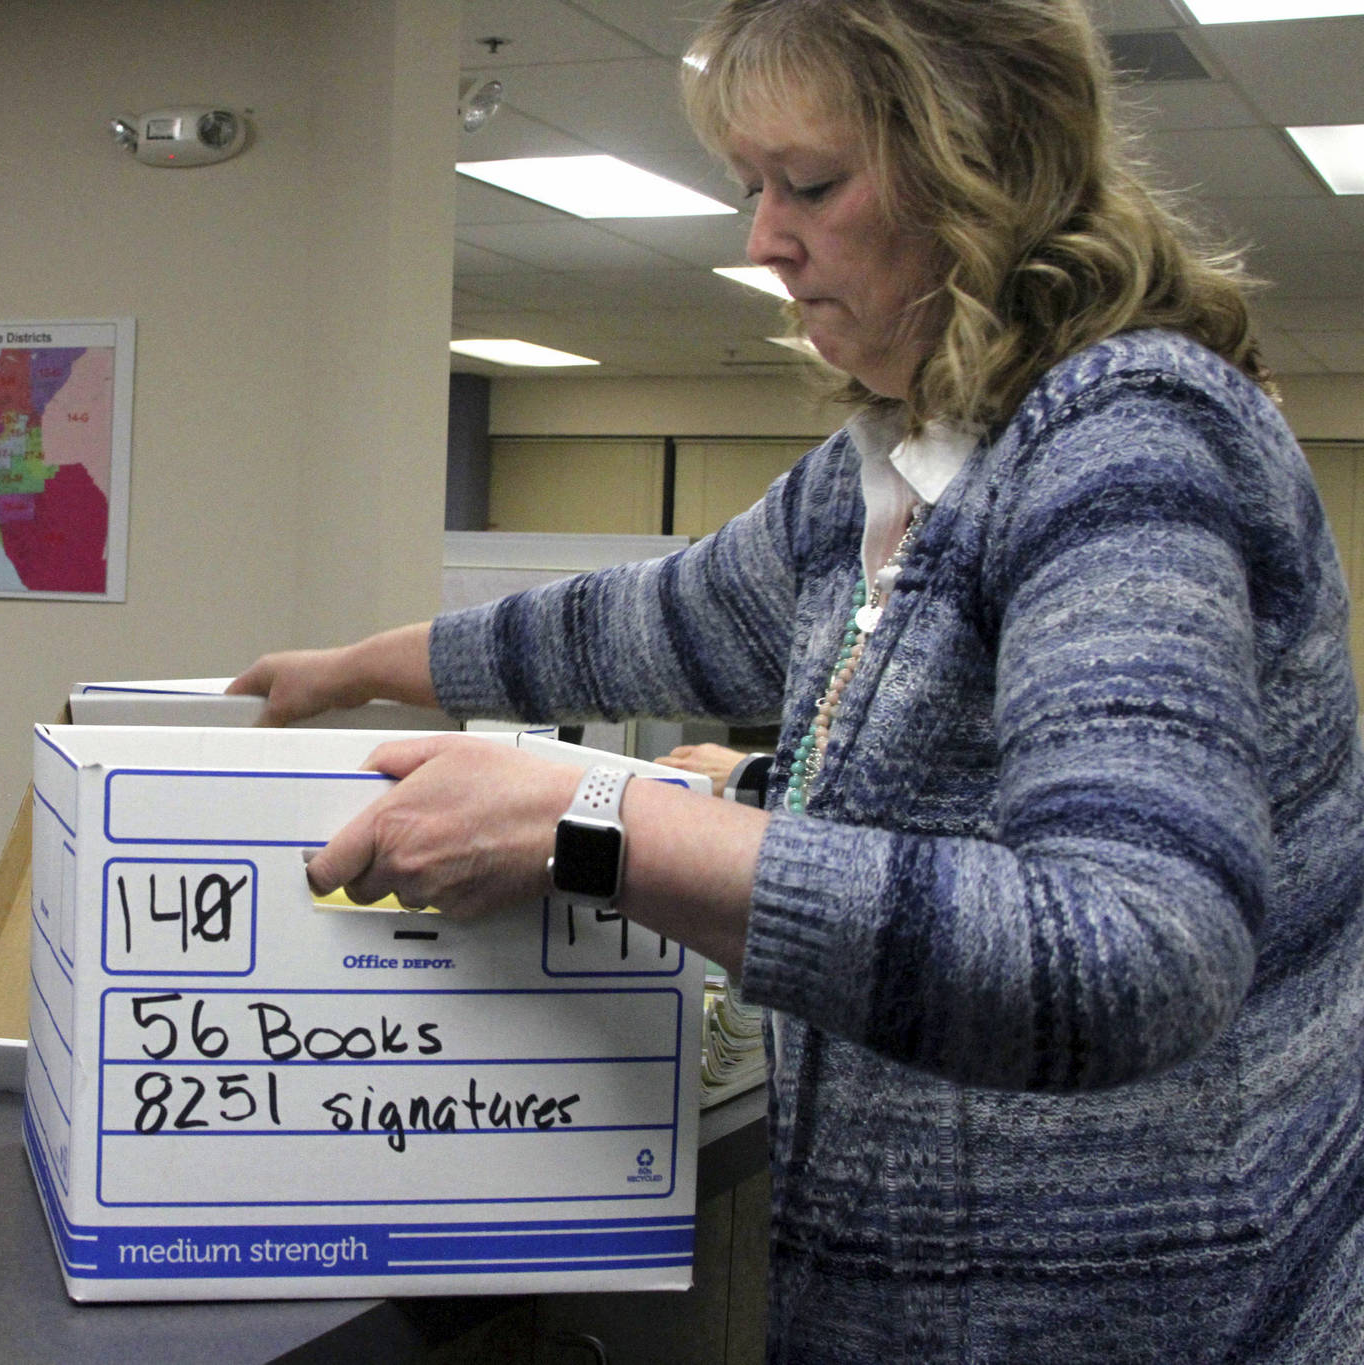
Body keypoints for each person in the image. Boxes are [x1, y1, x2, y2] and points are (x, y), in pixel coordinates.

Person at [229, 1, 1364, 1358]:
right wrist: (351, 669)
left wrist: (594, 830)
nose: (764, 239)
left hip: (1135, 1308)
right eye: (752, 188)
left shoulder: (1128, 442)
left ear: (985, 168)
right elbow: (641, 625)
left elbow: (1133, 949)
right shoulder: (902, 459)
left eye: (810, 185)